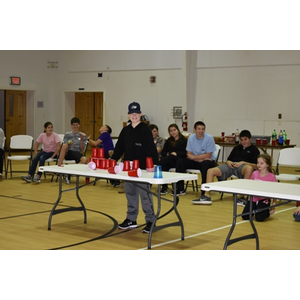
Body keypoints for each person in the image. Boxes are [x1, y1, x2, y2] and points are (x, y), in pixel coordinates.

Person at [111, 101, 158, 234]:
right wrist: (113, 159)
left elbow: (151, 148)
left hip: (142, 168)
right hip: (128, 168)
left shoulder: (145, 130)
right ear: (128, 115)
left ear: (140, 114)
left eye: (136, 113)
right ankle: (131, 219)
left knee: (145, 195)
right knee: (130, 193)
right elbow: (120, 147)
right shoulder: (125, 130)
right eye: (132, 113)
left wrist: (154, 162)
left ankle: (150, 220)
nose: (134, 115)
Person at [193, 129, 260, 205]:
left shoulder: (255, 150)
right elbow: (228, 159)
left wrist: (243, 163)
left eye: (245, 139)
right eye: (241, 140)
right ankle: (207, 195)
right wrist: (228, 162)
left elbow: (256, 166)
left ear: (250, 139)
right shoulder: (237, 148)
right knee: (210, 171)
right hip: (230, 165)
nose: (243, 142)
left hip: (243, 166)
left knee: (249, 168)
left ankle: (241, 197)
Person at [173, 121, 216, 196]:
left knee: (205, 164)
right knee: (180, 162)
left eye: (203, 129)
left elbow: (208, 155)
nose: (201, 131)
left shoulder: (209, 138)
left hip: (208, 162)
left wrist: (194, 157)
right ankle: (180, 189)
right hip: (197, 161)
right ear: (195, 130)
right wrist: (199, 158)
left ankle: (204, 191)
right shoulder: (191, 138)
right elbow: (189, 154)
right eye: (199, 129)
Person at [241, 153, 276, 222]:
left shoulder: (271, 176)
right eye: (258, 163)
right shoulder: (255, 173)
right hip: (254, 198)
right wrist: (249, 196)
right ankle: (255, 209)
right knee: (245, 216)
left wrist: (274, 203)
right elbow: (250, 185)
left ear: (267, 165)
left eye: (261, 163)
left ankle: (266, 212)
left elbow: (274, 190)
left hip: (264, 199)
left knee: (259, 218)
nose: (259, 165)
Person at [157, 123, 187, 195]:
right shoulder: (169, 141)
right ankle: (164, 188)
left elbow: (186, 153)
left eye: (174, 130)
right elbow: (163, 152)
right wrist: (167, 153)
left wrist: (176, 153)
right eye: (171, 131)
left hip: (180, 159)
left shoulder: (184, 140)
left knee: (168, 160)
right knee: (165, 165)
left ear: (178, 130)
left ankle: (156, 165)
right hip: (170, 160)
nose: (173, 132)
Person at [57, 117, 88, 184]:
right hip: (69, 152)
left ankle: (68, 174)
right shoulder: (68, 134)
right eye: (74, 125)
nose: (75, 126)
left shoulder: (83, 135)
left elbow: (82, 150)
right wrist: (68, 144)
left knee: (84, 159)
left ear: (79, 125)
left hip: (77, 153)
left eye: (77, 125)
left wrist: (82, 140)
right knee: (65, 145)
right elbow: (63, 147)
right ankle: (59, 166)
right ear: (71, 126)